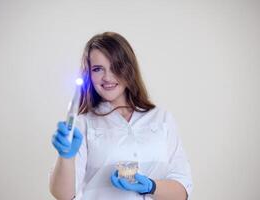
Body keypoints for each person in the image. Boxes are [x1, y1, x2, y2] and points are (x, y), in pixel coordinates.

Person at [49, 32, 193, 200]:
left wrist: (150, 186)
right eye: (97, 69)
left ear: (129, 68)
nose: (107, 77)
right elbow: (63, 195)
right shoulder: (82, 125)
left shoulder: (161, 118)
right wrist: (65, 156)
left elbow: (182, 190)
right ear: (88, 74)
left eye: (115, 66)